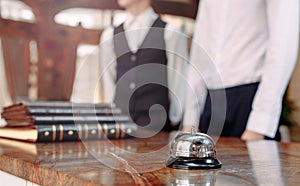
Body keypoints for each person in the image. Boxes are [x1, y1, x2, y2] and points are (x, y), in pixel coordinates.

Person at [183, 0, 299, 141]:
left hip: (249, 100)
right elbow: (200, 46)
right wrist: (190, 119)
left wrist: (259, 125)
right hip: (211, 102)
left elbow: (283, 43)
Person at [99, 0, 189, 131]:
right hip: (120, 126)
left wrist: (175, 120)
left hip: (157, 127)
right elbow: (108, 81)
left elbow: (178, 80)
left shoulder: (171, 32)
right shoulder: (109, 36)